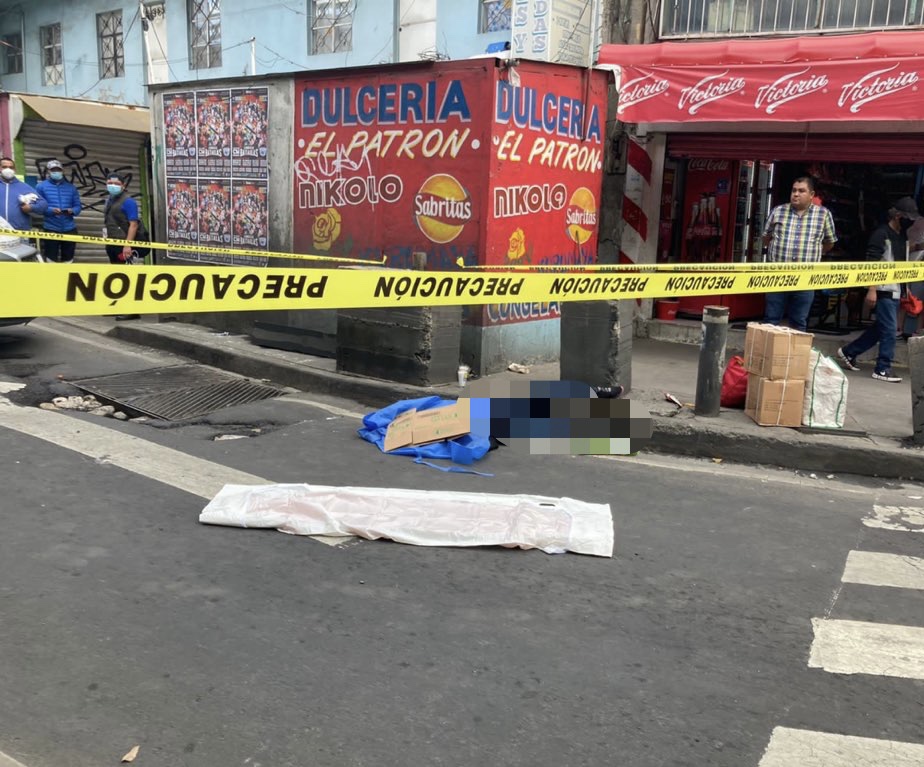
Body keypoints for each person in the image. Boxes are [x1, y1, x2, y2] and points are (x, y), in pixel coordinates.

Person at [837, 196, 921, 383]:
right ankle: (883, 368)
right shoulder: (881, 234)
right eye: (908, 218)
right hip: (883, 289)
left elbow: (902, 262)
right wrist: (872, 289)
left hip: (896, 289)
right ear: (898, 216)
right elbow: (872, 263)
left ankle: (849, 352)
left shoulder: (902, 236)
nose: (911, 222)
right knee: (890, 330)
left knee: (880, 328)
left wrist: (906, 288)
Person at [761, 176, 837, 332]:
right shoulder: (778, 211)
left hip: (805, 277)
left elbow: (830, 242)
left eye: (801, 191)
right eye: (794, 190)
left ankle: (796, 349)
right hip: (777, 275)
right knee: (771, 320)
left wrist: (815, 253)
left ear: (811, 194)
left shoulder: (823, 214)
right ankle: (767, 348)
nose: (796, 194)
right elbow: (766, 237)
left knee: (799, 321)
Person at [103, 172, 149, 320]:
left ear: (123, 186)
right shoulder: (109, 200)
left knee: (126, 275)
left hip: (124, 244)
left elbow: (133, 225)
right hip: (113, 243)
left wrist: (127, 245)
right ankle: (117, 306)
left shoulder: (128, 202)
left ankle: (132, 310)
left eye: (116, 184)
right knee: (116, 274)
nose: (113, 186)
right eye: (110, 183)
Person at [35, 159, 82, 263]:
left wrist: (73, 210)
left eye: (58, 170)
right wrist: (51, 210)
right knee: (51, 259)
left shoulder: (71, 188)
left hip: (69, 228)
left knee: (68, 259)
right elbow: (37, 206)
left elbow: (78, 206)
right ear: (48, 171)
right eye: (53, 170)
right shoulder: (40, 187)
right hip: (51, 228)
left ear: (62, 171)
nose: (56, 172)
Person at [0, 155, 47, 232]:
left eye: (11, 167)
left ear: (15, 170)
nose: (8, 169)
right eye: (4, 167)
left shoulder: (24, 187)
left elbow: (43, 204)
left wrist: (31, 207)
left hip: (20, 232)